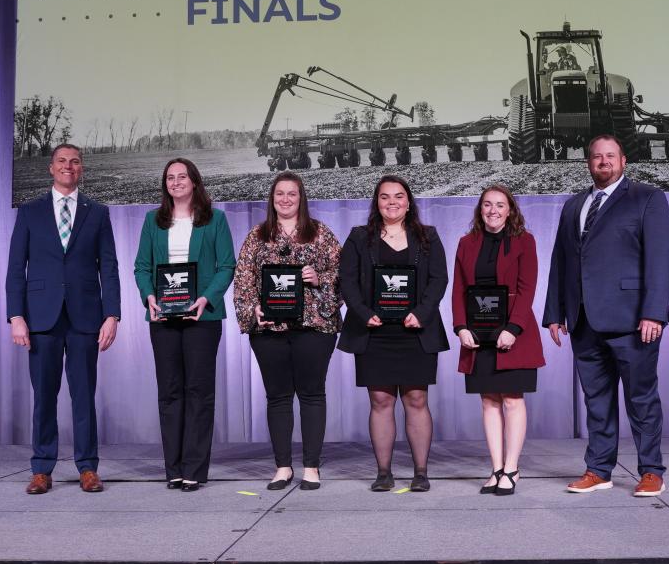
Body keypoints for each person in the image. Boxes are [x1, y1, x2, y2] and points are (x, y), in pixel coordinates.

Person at [543, 134, 669, 496]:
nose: (603, 162)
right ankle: (599, 470)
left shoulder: (647, 198)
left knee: (641, 399)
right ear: (588, 162)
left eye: (610, 156)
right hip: (584, 322)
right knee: (597, 402)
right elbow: (561, 261)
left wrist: (653, 313)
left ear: (623, 161)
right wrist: (555, 312)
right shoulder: (573, 205)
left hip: (634, 322)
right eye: (597, 157)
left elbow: (661, 258)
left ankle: (651, 471)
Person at [6, 143, 120, 495]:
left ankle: (88, 468)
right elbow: (15, 270)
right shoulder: (29, 212)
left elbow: (110, 269)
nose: (68, 166)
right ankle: (42, 469)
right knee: (44, 396)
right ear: (51, 169)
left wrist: (112, 314)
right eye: (61, 161)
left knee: (84, 396)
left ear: (81, 168)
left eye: (74, 161)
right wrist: (16, 316)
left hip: (86, 318)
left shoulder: (98, 213)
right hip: (41, 318)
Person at [338, 175, 448, 492]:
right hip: (374, 332)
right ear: (377, 203)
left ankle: (421, 473)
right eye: (385, 197)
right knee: (381, 401)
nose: (392, 203)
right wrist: (363, 313)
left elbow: (439, 280)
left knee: (416, 399)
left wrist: (422, 313)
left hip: (416, 331)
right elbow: (347, 281)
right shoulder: (359, 237)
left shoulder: (428, 236)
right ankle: (384, 473)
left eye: (399, 197)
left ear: (409, 202)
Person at [233, 172, 343, 491]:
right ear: (272, 199)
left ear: (301, 198)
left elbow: (343, 274)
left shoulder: (320, 233)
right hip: (269, 329)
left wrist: (318, 277)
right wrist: (252, 309)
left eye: (291, 194)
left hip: (314, 326)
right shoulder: (257, 235)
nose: (285, 199)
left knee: (311, 394)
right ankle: (283, 467)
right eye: (279, 194)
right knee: (278, 396)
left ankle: (311, 466)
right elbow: (242, 279)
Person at [133, 158, 236, 492]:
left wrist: (206, 298)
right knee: (170, 392)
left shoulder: (215, 219)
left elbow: (226, 266)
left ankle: (194, 468)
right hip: (162, 317)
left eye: (182, 176)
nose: (175, 182)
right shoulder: (153, 221)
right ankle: (173, 468)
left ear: (195, 181)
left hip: (201, 318)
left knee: (199, 393)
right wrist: (148, 297)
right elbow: (141, 267)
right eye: (170, 177)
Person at [452, 185, 544, 496]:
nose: (493, 210)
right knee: (489, 400)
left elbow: (527, 288)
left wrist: (513, 328)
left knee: (512, 400)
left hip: (512, 332)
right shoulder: (466, 243)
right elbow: (459, 290)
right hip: (479, 333)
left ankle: (512, 469)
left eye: (500, 205)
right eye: (487, 205)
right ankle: (496, 469)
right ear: (480, 210)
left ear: (510, 210)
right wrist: (461, 327)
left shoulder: (524, 241)